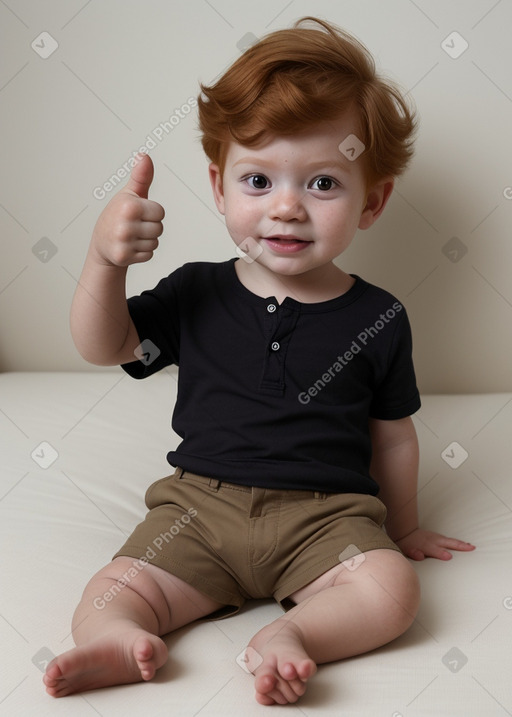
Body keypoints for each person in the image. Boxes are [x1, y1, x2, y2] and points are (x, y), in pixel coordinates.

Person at [44, 16, 475, 706]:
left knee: (391, 588)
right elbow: (106, 345)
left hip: (327, 517)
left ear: (375, 199)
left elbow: (393, 433)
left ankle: (294, 636)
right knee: (116, 585)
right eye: (257, 180)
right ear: (218, 188)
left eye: (323, 184)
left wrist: (403, 526)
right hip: (197, 509)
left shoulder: (379, 317)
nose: (286, 207)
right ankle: (124, 637)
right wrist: (103, 262)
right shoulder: (196, 291)